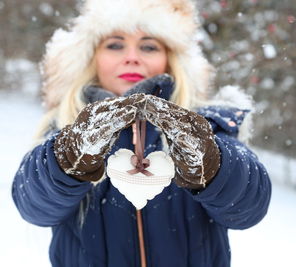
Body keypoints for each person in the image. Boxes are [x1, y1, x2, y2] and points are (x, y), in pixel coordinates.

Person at [12, 0, 272, 266]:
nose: (132, 56)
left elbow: (248, 208)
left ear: (171, 60)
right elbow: (33, 207)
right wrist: (66, 158)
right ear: (91, 58)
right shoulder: (66, 128)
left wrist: (212, 164)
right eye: (115, 44)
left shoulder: (209, 126)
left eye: (149, 46)